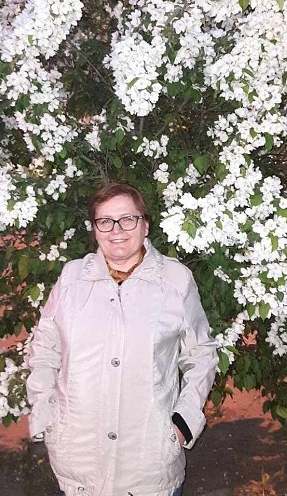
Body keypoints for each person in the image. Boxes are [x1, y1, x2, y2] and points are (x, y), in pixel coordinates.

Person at [26, 183, 218, 496]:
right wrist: (45, 415)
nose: (116, 230)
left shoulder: (175, 280)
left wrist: (183, 423)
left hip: (149, 463)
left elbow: (201, 354)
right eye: (105, 221)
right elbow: (45, 348)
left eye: (128, 219)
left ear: (145, 225)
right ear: (95, 229)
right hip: (79, 461)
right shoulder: (72, 278)